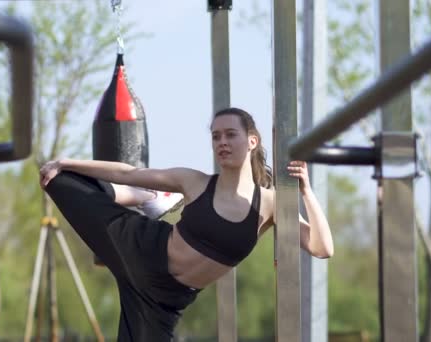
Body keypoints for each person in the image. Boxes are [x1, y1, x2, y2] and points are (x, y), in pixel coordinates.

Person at [39, 107, 333, 342]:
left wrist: (306, 192)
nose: (222, 143)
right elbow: (128, 171)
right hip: (140, 248)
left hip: (163, 301)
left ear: (252, 141)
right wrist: (66, 162)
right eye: (216, 136)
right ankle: (146, 196)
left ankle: (147, 198)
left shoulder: (269, 203)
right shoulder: (196, 182)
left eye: (231, 135)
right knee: (59, 180)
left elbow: (322, 248)